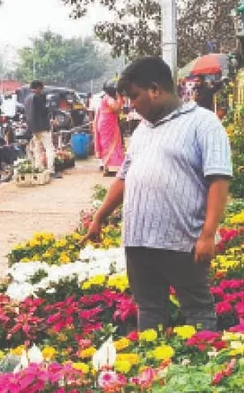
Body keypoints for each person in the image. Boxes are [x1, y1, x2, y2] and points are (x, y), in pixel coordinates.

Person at [85, 56, 232, 331]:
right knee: (149, 309)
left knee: (197, 309)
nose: (131, 105)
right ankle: (151, 371)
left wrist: (208, 235)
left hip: (182, 240)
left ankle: (201, 369)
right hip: (139, 239)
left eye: (135, 96)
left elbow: (219, 178)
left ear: (155, 89)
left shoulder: (203, 123)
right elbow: (123, 177)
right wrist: (100, 216)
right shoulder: (143, 129)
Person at [26, 80, 58, 178]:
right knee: (49, 148)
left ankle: (38, 169)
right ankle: (51, 170)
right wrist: (50, 108)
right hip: (43, 127)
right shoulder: (36, 97)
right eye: (41, 88)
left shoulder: (27, 98)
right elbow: (44, 111)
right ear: (38, 88)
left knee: (37, 149)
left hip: (33, 128)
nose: (42, 90)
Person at [93, 82, 125, 176]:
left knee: (107, 145)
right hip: (107, 124)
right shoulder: (109, 99)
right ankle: (110, 168)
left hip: (106, 123)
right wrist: (119, 98)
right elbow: (117, 110)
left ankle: (107, 167)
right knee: (110, 145)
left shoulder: (106, 98)